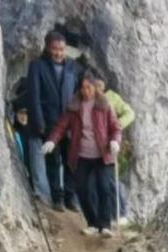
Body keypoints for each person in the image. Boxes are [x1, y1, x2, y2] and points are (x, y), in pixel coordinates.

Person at [44, 70, 122, 237]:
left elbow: (115, 128)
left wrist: (115, 141)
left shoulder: (104, 105)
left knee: (104, 187)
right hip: (82, 155)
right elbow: (61, 126)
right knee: (83, 189)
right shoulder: (74, 106)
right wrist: (52, 140)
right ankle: (92, 223)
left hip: (102, 154)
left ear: (95, 87)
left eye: (89, 87)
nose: (86, 91)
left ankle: (105, 224)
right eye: (83, 88)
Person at [24, 31, 81, 210]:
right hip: (49, 121)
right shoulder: (37, 66)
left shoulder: (74, 67)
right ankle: (57, 199)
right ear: (48, 48)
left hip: (70, 123)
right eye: (55, 49)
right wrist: (39, 122)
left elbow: (80, 94)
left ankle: (71, 198)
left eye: (62, 49)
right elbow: (33, 96)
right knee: (53, 161)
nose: (58, 53)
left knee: (71, 161)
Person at [98, 77, 135, 224]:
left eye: (100, 84)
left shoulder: (112, 97)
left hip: (110, 144)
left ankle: (121, 213)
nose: (97, 88)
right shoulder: (88, 99)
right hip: (94, 145)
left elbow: (130, 113)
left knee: (112, 179)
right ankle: (107, 214)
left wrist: (117, 126)